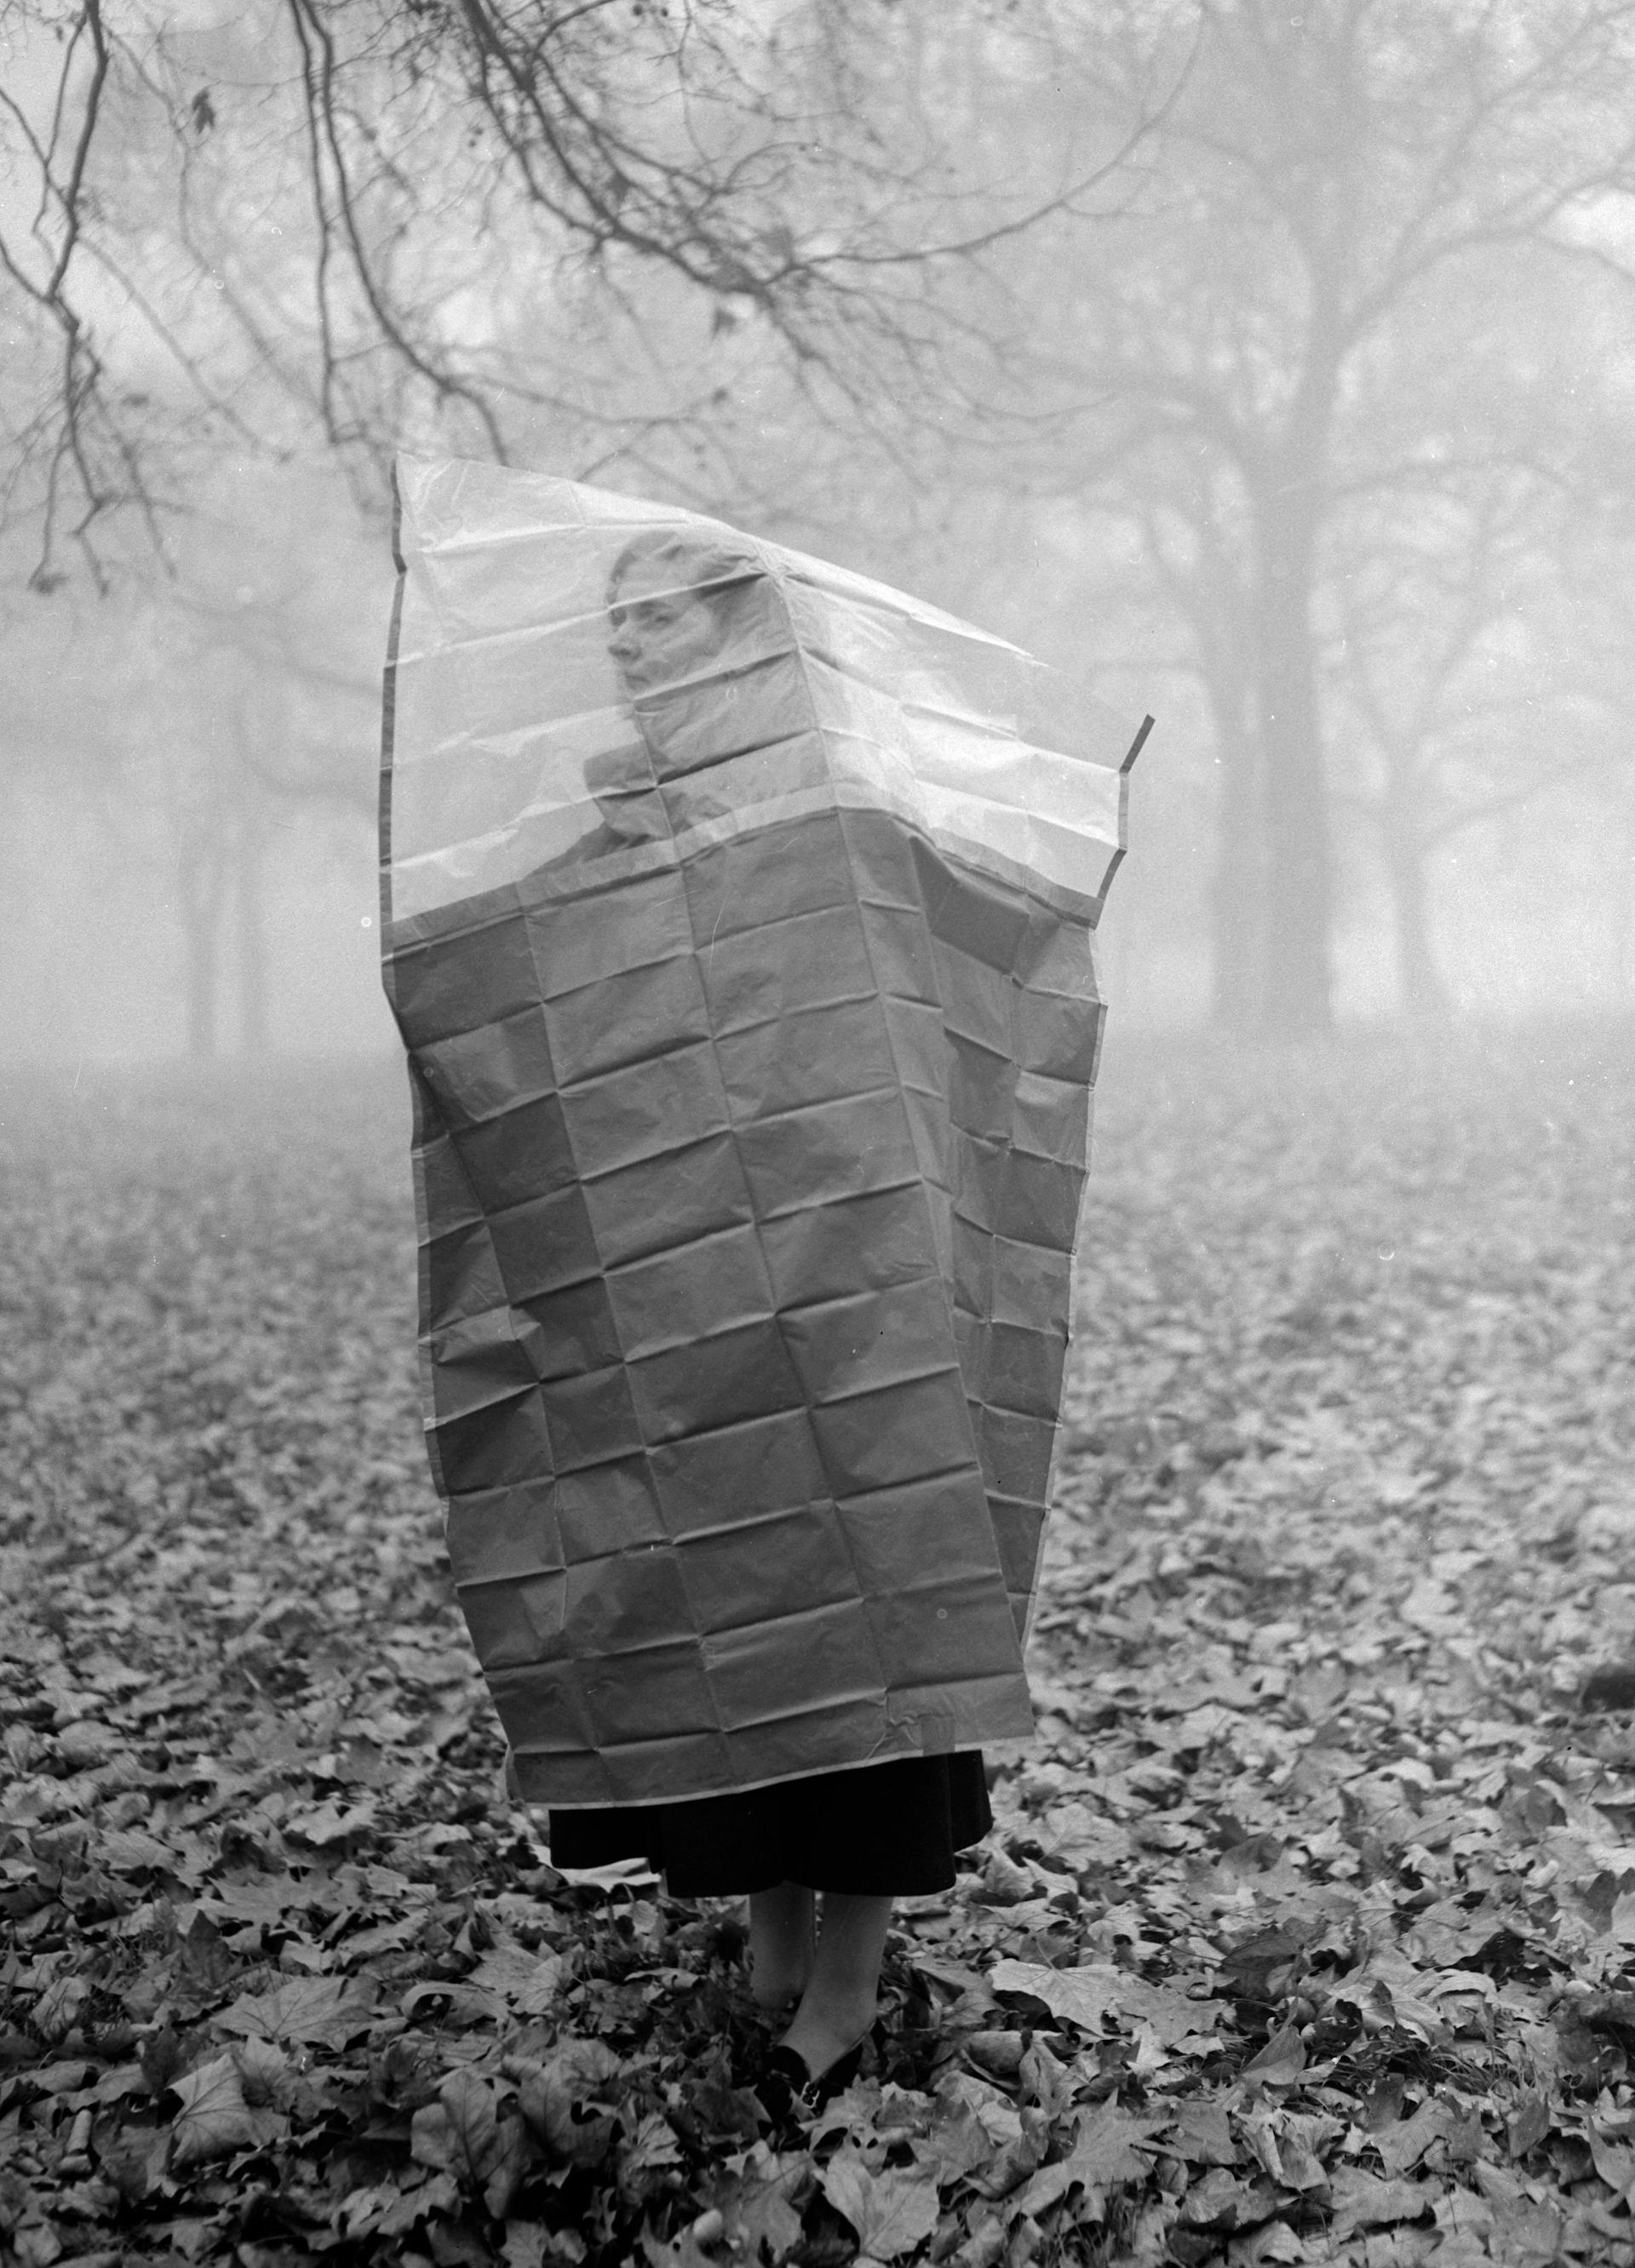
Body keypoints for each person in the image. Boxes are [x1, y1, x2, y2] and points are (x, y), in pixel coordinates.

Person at [540, 528, 995, 2105]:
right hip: (690, 1286)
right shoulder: (614, 825)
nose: (634, 649)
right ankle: (771, 1926)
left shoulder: (838, 810)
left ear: (743, 642)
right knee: (735, 1608)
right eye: (620, 627)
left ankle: (853, 1979)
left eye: (662, 621)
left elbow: (908, 1005)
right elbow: (575, 1015)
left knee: (858, 1612)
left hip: (841, 1273)